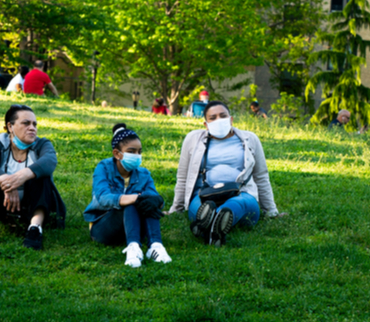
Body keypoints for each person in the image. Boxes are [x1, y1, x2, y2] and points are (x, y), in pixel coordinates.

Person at [169, 101, 285, 246]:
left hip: (242, 193)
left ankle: (212, 221)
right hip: (204, 195)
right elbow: (182, 176)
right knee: (201, 208)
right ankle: (216, 224)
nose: (218, 120)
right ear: (205, 124)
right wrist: (176, 208)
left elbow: (261, 176)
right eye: (213, 118)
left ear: (231, 119)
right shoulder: (193, 139)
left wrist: (271, 211)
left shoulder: (250, 139)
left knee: (238, 204)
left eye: (222, 116)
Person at [0, 104, 66, 250]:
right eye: (26, 123)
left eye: (34, 124)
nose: (32, 128)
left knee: (42, 178)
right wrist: (5, 180)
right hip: (4, 202)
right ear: (10, 127)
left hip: (32, 203)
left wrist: (22, 176)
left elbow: (50, 161)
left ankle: (34, 229)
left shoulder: (42, 144)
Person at [83, 124, 172, 267]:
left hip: (136, 225)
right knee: (134, 202)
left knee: (148, 202)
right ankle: (133, 248)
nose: (137, 156)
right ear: (117, 154)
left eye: (139, 152)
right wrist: (135, 198)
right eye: (132, 151)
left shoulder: (144, 173)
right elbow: (102, 198)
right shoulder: (104, 167)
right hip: (104, 228)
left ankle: (155, 246)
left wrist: (157, 200)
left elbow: (154, 199)